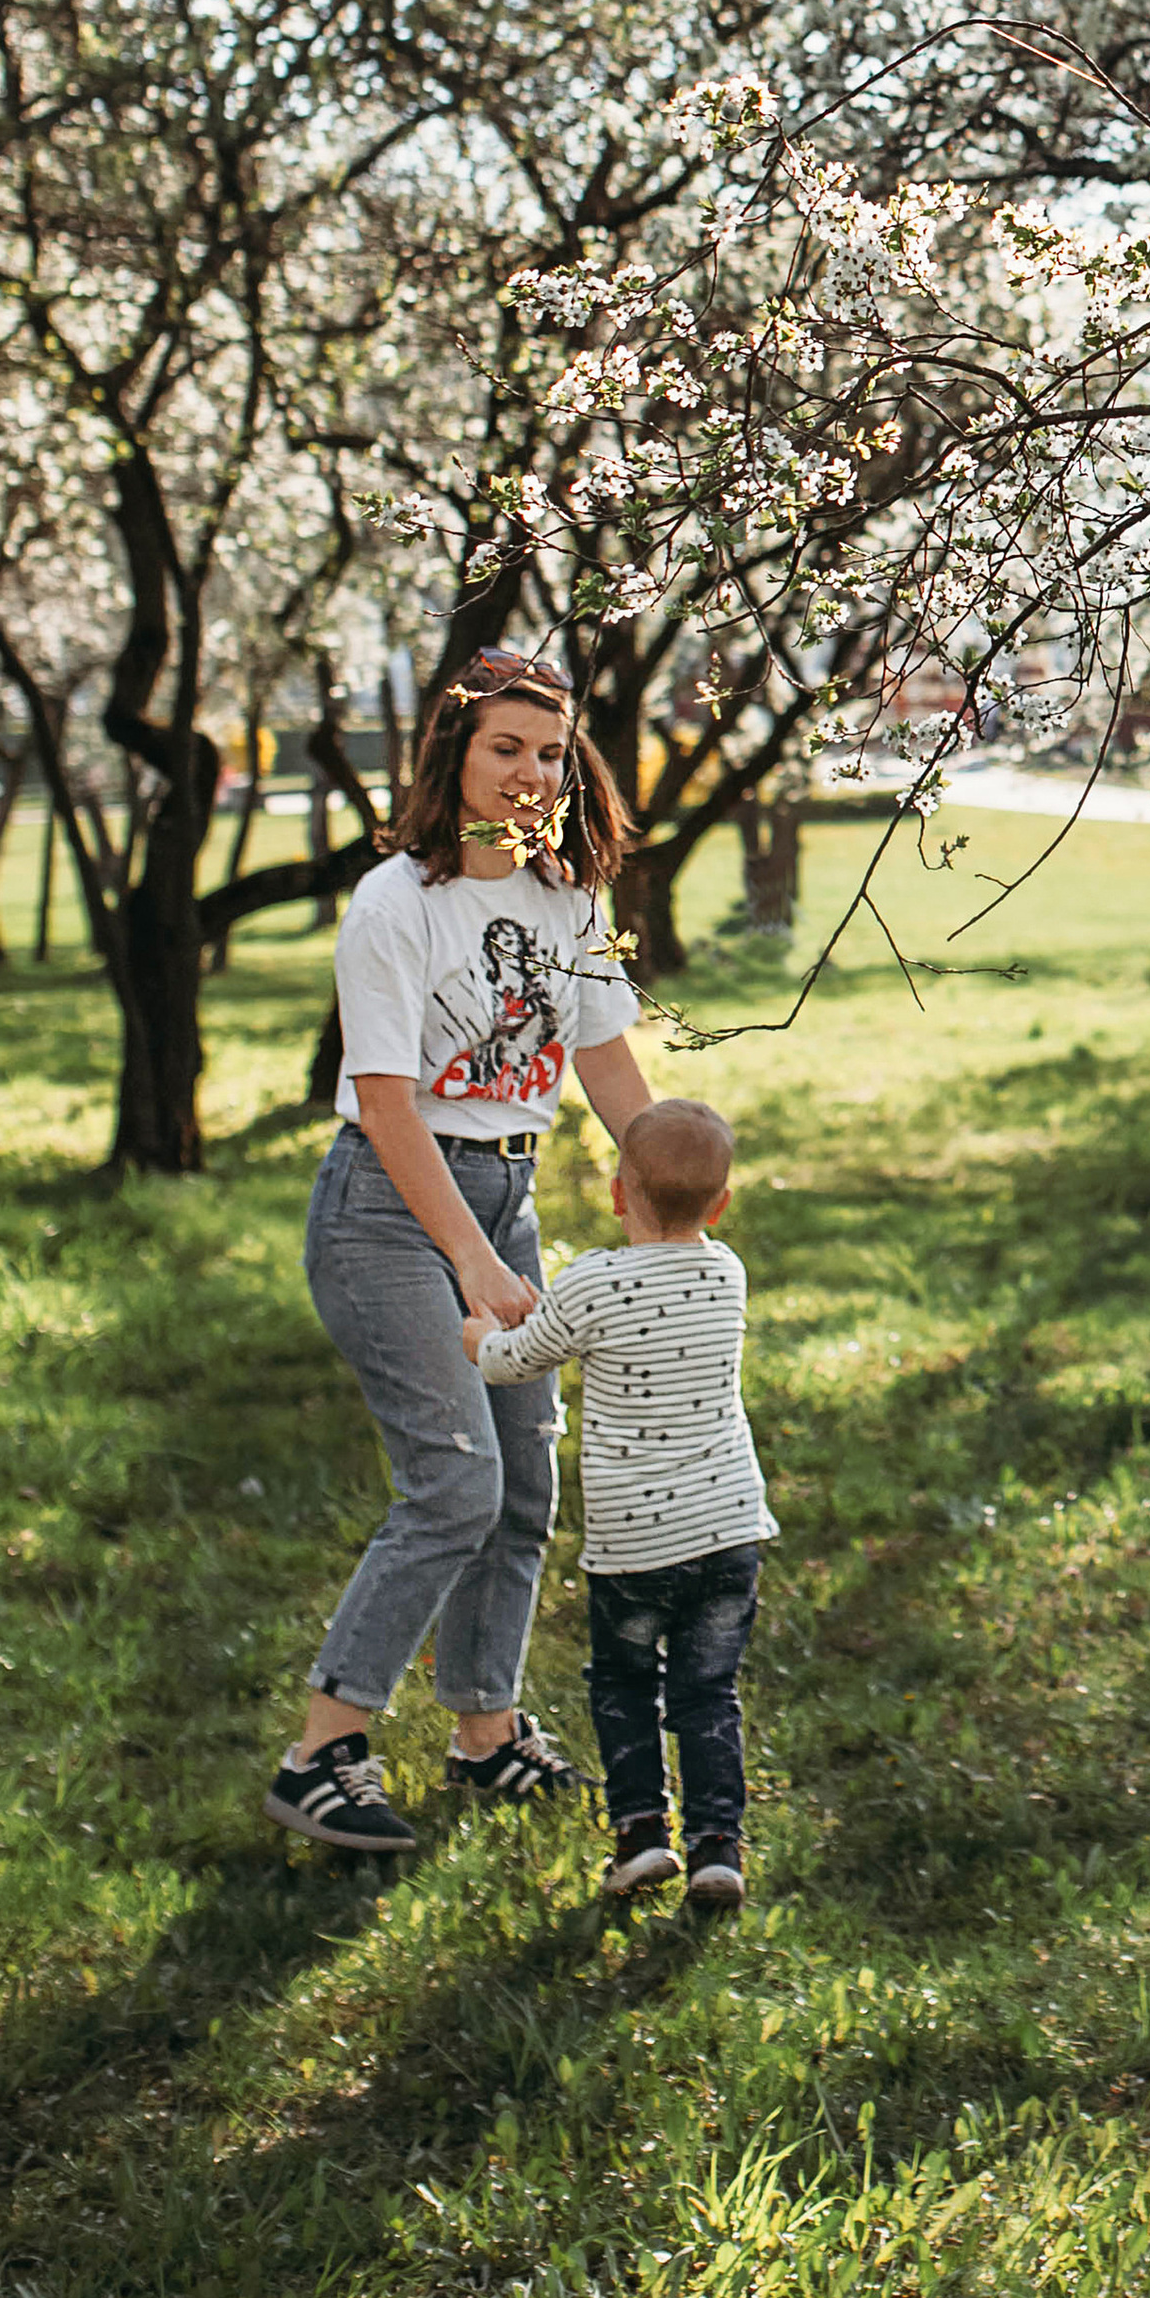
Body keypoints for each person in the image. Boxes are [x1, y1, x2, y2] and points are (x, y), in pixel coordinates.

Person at [264, 645, 656, 1853]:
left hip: (505, 1193)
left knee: (524, 1481)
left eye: (550, 752)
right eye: (505, 748)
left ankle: (485, 1735)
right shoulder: (396, 903)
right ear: (454, 756)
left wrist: (671, 1182)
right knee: (452, 1481)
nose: (531, 771)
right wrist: (476, 1270)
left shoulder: (566, 900)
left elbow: (600, 1061)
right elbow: (384, 1103)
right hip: (389, 1206)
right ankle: (320, 1750)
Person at [465, 1095, 772, 1908]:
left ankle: (640, 1834)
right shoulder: (726, 1272)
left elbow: (522, 1361)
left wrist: (479, 1343)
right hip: (728, 1528)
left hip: (637, 1541)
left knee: (627, 1685)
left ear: (615, 1192)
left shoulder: (593, 1282)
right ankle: (717, 1848)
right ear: (721, 1204)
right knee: (709, 1691)